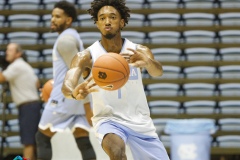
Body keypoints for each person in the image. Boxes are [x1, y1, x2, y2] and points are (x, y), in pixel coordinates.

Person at [61, 0, 170, 160]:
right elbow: (67, 85)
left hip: (140, 122)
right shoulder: (86, 56)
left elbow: (158, 72)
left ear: (122, 22)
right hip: (108, 120)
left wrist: (148, 62)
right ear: (97, 23)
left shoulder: (138, 51)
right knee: (117, 151)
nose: (107, 21)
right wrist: (74, 93)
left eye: (112, 17)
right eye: (102, 18)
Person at [35, 1, 96, 160]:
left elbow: (78, 73)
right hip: (76, 99)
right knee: (82, 138)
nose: (52, 19)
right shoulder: (73, 36)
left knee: (42, 137)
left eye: (57, 16)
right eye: (52, 16)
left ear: (68, 20)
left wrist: (88, 106)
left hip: (66, 97)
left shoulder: (65, 41)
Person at [0, 43, 42, 160]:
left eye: (10, 50)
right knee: (31, 141)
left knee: (28, 141)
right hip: (32, 106)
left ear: (18, 54)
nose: (6, 52)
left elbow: (1, 78)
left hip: (28, 107)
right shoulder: (25, 65)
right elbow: (37, 83)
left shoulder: (17, 65)